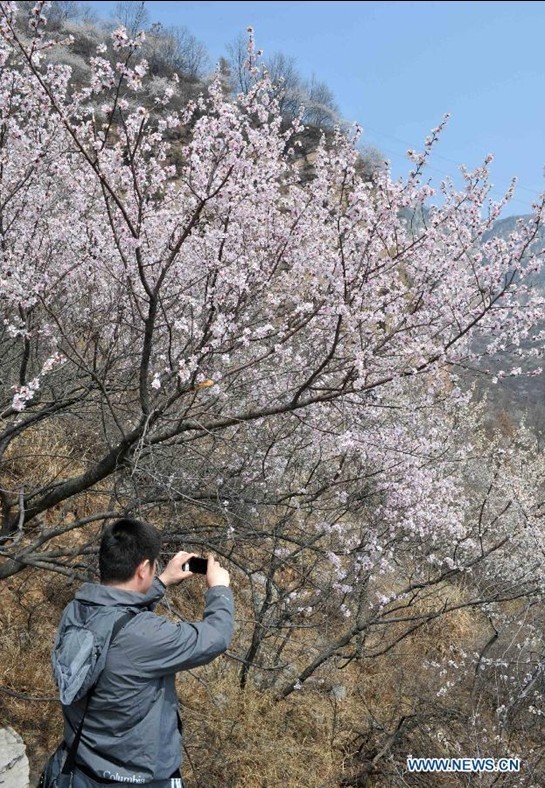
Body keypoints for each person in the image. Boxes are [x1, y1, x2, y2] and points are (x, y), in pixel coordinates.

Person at [51, 517, 234, 787]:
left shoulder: (77, 610)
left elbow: (117, 618)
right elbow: (215, 637)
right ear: (143, 568)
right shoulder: (144, 634)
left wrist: (159, 583)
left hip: (81, 769)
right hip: (138, 778)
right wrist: (219, 589)